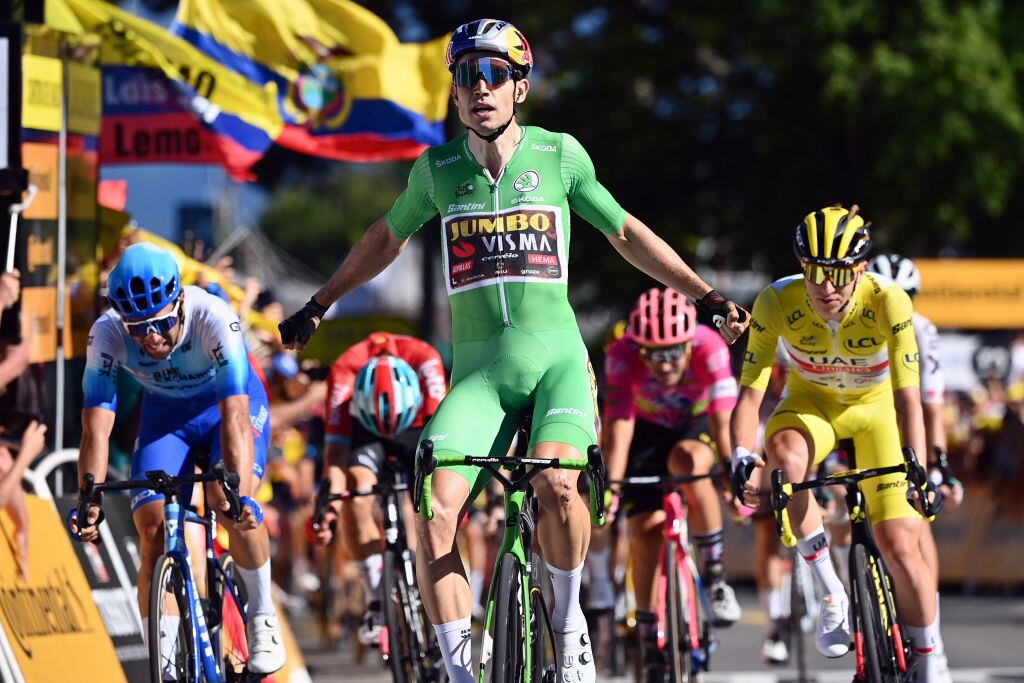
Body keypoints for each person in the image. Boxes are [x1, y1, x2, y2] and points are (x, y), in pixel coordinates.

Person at [279, 19, 748, 683]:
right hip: (481, 377)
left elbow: (625, 233)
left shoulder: (560, 156)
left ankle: (568, 623)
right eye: (466, 75)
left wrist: (704, 296)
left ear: (520, 86)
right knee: (435, 507)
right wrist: (317, 304)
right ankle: (461, 670)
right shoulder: (438, 170)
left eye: (494, 73)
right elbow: (386, 239)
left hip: (556, 364)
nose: (479, 88)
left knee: (558, 485)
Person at [730, 205, 947, 682]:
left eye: (838, 274)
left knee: (901, 543)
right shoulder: (776, 300)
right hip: (813, 406)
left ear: (861, 269)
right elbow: (749, 397)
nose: (825, 288)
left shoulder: (889, 300)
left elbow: (910, 400)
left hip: (877, 415)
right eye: (814, 273)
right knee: (783, 456)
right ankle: (831, 591)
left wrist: (922, 469)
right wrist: (743, 455)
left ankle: (932, 656)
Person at [70, 242, 286, 676]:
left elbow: (237, 418)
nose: (151, 337)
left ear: (180, 301)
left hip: (228, 410)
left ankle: (263, 615)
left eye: (163, 322)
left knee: (228, 504)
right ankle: (166, 665)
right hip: (167, 418)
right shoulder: (106, 334)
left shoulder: (213, 317)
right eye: (138, 329)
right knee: (153, 532)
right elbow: (96, 426)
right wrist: (87, 496)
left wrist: (238, 492)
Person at [602, 287, 741, 679]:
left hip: (695, 426)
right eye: (653, 354)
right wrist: (613, 486)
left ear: (689, 342)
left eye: (674, 353)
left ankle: (715, 577)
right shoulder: (622, 354)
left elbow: (723, 418)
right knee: (645, 532)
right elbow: (619, 425)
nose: (664, 365)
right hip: (644, 431)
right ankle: (648, 637)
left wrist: (732, 473)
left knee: (689, 460)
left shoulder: (710, 346)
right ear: (638, 346)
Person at [310, 332, 446, 647]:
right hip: (365, 431)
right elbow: (335, 456)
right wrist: (330, 503)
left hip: (417, 427)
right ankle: (376, 597)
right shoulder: (345, 370)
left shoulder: (426, 358)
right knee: (357, 488)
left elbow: (444, 439)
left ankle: (427, 577)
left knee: (434, 488)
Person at [868, 252, 963, 676]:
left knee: (917, 515)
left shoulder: (922, 331)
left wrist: (937, 464)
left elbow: (931, 405)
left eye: (904, 297)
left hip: (904, 429)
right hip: (859, 423)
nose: (895, 304)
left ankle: (932, 638)